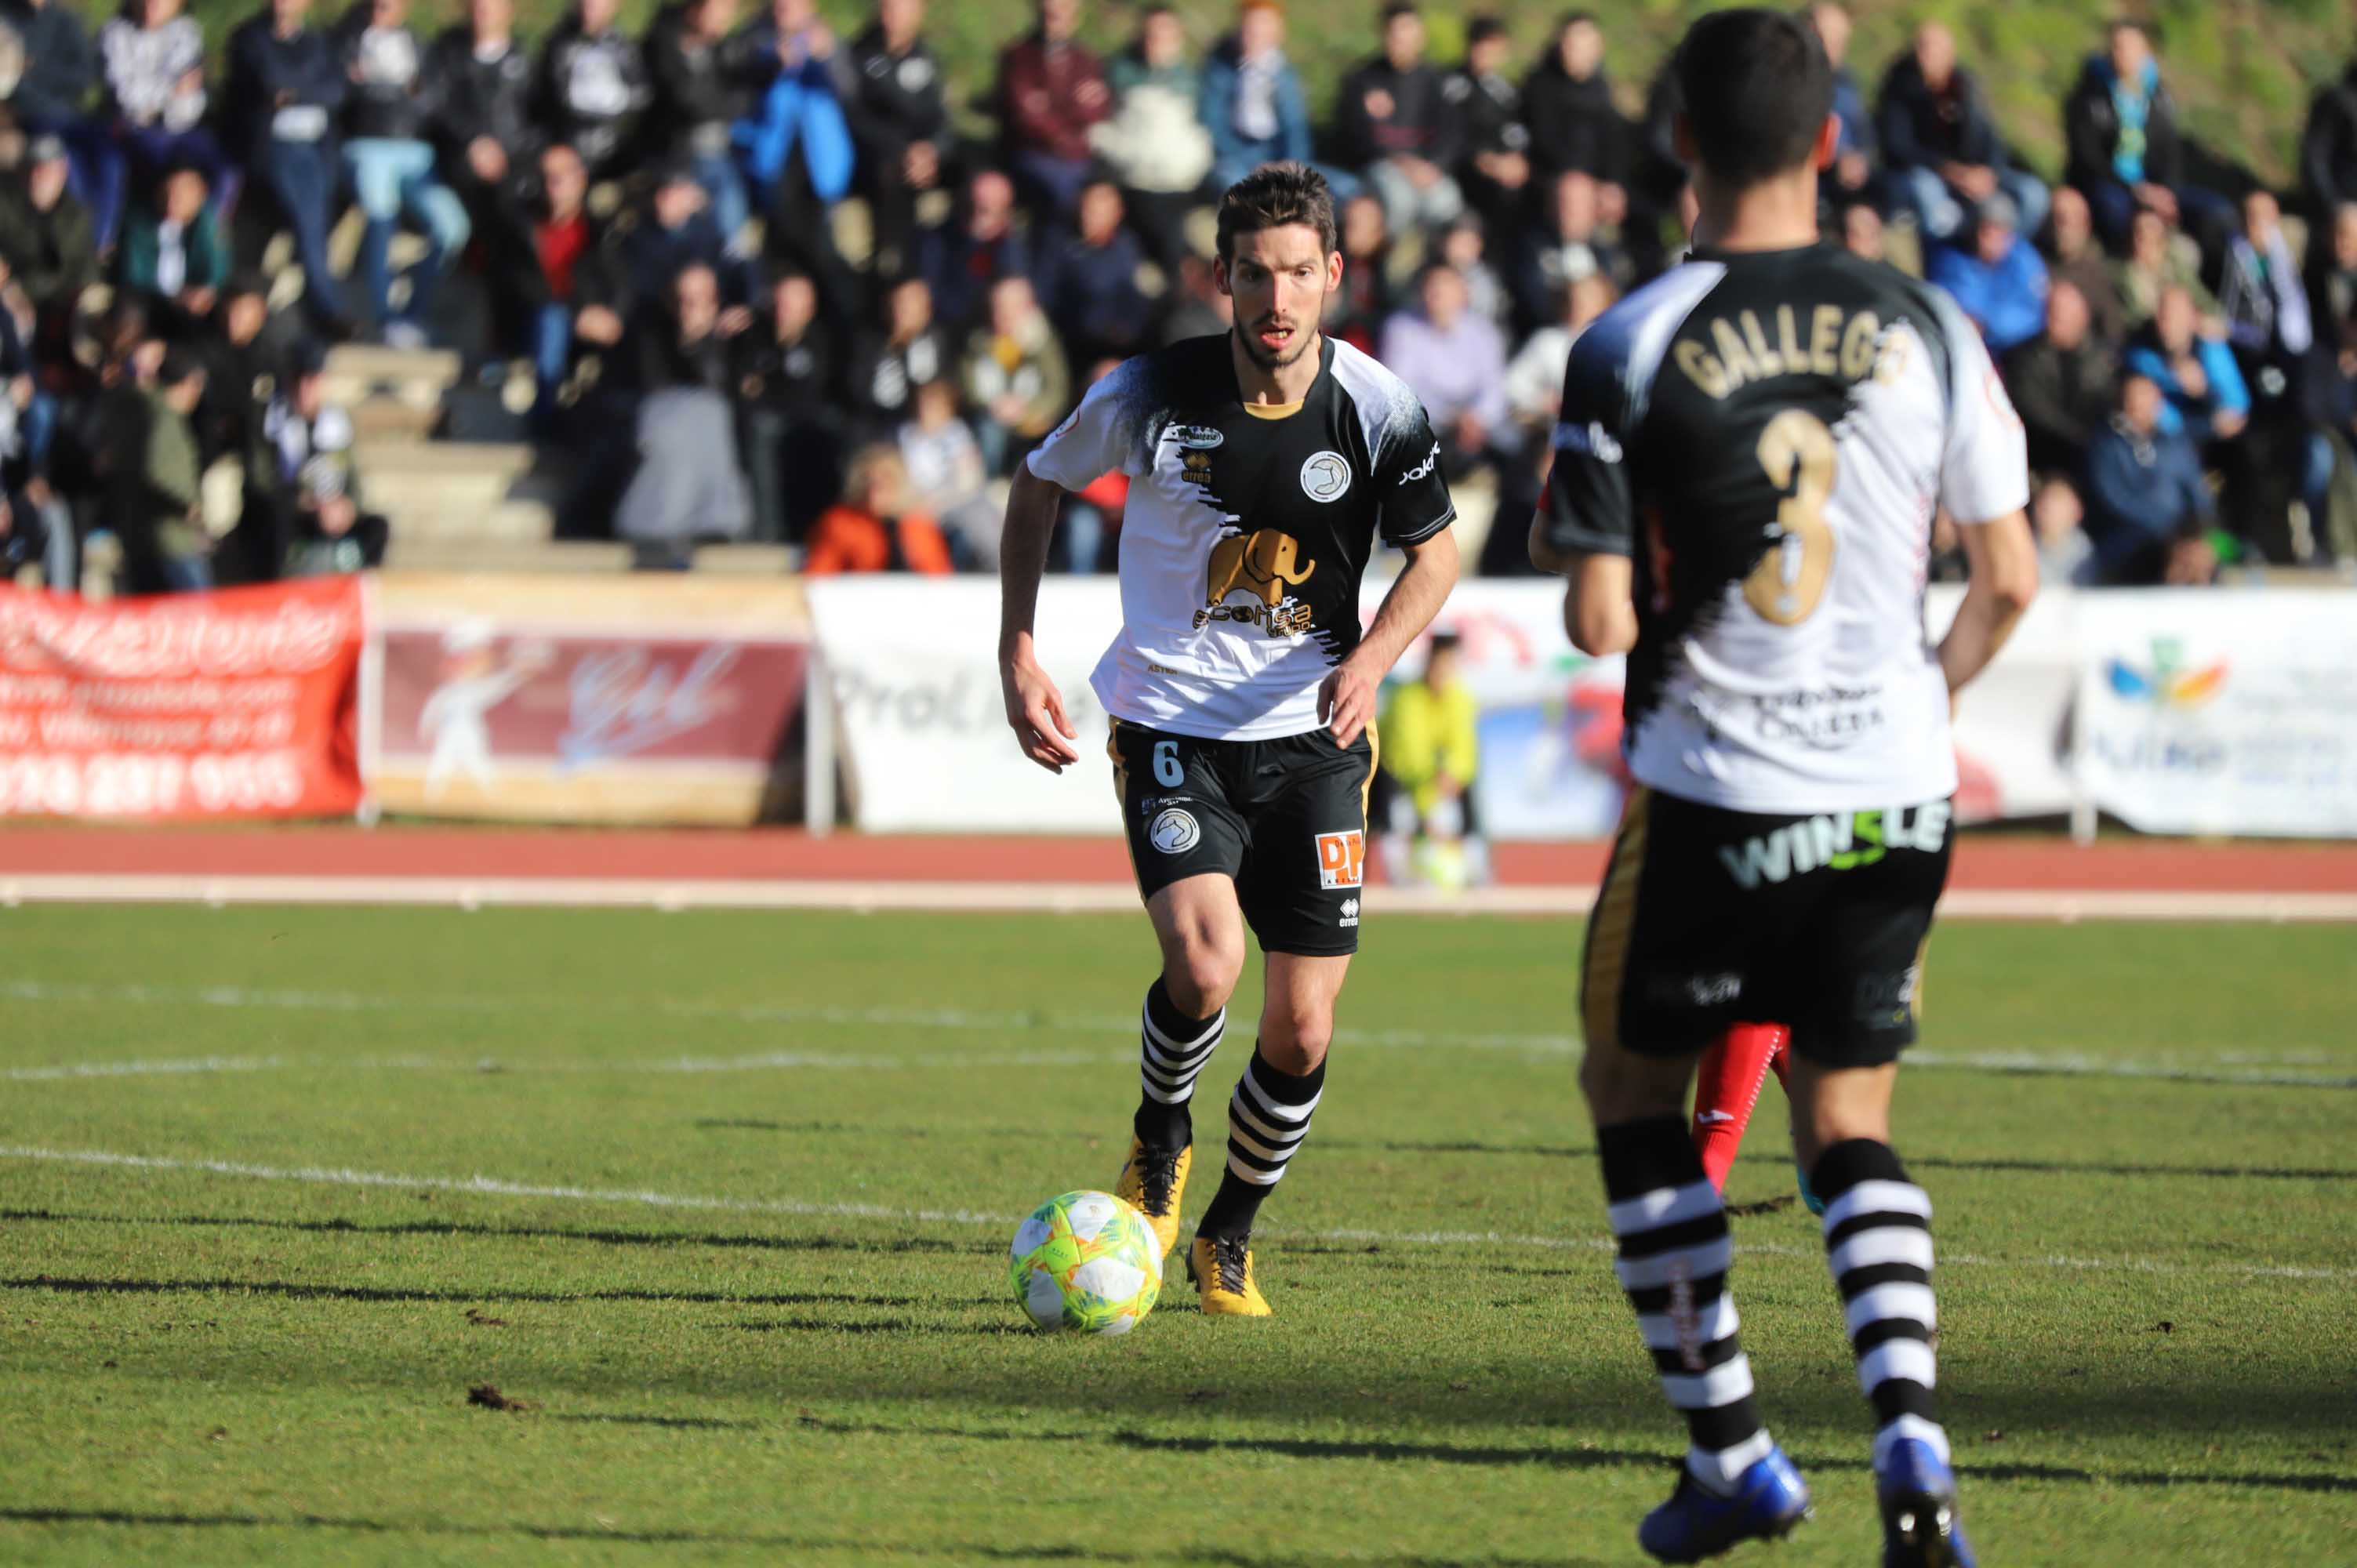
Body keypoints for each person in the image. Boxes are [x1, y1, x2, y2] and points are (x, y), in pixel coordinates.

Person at [1528, 10, 2035, 1561]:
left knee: (1627, 1092)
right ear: (1832, 144)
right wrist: (1912, 700)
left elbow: (1603, 617)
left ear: (1678, 140)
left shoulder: (1630, 338)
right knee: (1850, 1121)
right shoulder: (1931, 325)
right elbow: (2008, 575)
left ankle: (1737, 1450)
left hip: (1715, 791)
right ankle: (1914, 1451)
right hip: (1896, 788)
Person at [998, 162, 1459, 1316]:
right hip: (1171, 725)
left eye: (1298, 272)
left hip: (1314, 743)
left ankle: (1227, 1234)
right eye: (1254, 272)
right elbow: (1038, 482)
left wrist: (1370, 658)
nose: (1277, 296)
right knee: (1204, 965)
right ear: (1221, 278)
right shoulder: (1147, 391)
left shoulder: (1379, 408)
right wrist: (1018, 647)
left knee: (1302, 1026)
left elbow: (1435, 556)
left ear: (1333, 276)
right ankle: (1160, 1134)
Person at [337, 0, 470, 347]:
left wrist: (389, 91)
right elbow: (342, 91)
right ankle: (385, 317)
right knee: (381, 211)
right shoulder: (347, 38)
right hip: (366, 144)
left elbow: (431, 97)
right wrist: (400, 92)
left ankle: (414, 314)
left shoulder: (419, 45)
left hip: (413, 149)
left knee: (453, 227)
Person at [225, 0, 354, 336]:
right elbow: (269, 82)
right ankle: (324, 305)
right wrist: (307, 87)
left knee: (319, 206)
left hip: (317, 148)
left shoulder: (318, 42)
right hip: (274, 146)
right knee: (309, 213)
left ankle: (321, 299)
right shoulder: (249, 38)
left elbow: (336, 91)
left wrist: (294, 92)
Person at [2063, 20, 2232, 257]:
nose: (2119, 54)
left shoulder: (2160, 97)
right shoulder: (2089, 96)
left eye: (2128, 48)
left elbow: (2171, 151)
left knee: (2217, 212)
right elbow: (2087, 158)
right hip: (2110, 186)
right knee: (2114, 210)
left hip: (2154, 189)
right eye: (2115, 47)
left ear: (2145, 53)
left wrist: (2166, 193)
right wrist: (2136, 190)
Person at [1877, 21, 2046, 248]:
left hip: (1975, 173)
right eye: (1922, 47)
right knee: (1925, 191)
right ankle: (1950, 255)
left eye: (1935, 48)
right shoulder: (1900, 87)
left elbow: (1991, 136)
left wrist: (1989, 173)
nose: (1926, 55)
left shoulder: (1966, 86)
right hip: (1932, 174)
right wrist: (1950, 171)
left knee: (2033, 193)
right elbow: (1898, 147)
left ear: (1951, 54)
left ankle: (2005, 255)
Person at [96, 0, 236, 251]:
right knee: (166, 174)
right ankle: (115, 244)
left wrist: (158, 96)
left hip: (183, 128)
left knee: (226, 170)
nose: (153, 5)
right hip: (135, 130)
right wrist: (172, 89)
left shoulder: (187, 33)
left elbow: (192, 101)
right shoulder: (115, 34)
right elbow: (127, 97)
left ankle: (209, 242)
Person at [839, 0, 951, 275]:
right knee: (893, 177)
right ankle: (892, 267)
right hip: (877, 156)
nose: (894, 17)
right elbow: (855, 119)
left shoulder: (926, 58)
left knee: (974, 175)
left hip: (922, 154)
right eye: (889, 8)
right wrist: (903, 151)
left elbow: (940, 118)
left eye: (903, 10)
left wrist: (932, 150)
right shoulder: (859, 55)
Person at [733, 266, 841, 543]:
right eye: (780, 301)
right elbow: (748, 386)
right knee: (762, 430)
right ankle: (767, 533)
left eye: (792, 302)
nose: (785, 309)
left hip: (809, 421)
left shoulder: (822, 339)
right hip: (769, 419)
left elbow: (813, 388)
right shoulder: (755, 335)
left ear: (809, 306)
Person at [1336, 2, 1462, 241]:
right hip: (1380, 167)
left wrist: (1434, 165)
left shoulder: (1436, 82)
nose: (1401, 41)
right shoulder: (1362, 80)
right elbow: (1355, 136)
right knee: (1398, 198)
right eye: (1394, 34)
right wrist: (1399, 161)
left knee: (1446, 201)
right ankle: (1388, 267)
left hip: (1426, 168)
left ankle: (1432, 271)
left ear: (1420, 36)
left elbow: (1451, 133)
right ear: (1383, 35)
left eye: (1408, 33)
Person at [1372, 628, 1486, 887]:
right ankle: (1398, 870)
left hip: (1433, 779)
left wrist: (1452, 776)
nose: (1443, 670)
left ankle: (1474, 865)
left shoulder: (1460, 698)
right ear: (1429, 662)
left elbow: (1464, 751)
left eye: (1450, 663)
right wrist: (1430, 810)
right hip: (1397, 773)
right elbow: (1407, 756)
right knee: (1387, 786)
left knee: (1468, 785)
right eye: (1439, 663)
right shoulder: (1406, 698)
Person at [1379, 263, 1510, 481]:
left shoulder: (1484, 331)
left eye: (1446, 287)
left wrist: (1476, 418)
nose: (1438, 295)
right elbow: (1399, 391)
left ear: (1463, 292)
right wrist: (1450, 418)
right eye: (1432, 287)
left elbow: (1495, 387)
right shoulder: (1401, 329)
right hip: (1429, 423)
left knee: (1515, 447)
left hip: (1479, 426)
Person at [2082, 372, 2215, 584]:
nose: (2137, 403)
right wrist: (2161, 531)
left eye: (2144, 395)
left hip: (2178, 537)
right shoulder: (2106, 446)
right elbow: (2113, 499)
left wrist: (2195, 531)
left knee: (2199, 555)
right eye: (2132, 396)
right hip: (2131, 538)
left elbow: (2196, 493)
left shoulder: (2176, 444)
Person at [995, 0, 1109, 220]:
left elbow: (1096, 108)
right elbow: (1026, 116)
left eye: (1062, 12)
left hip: (1079, 156)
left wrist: (1052, 109)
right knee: (1065, 192)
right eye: (1049, 14)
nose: (1055, 19)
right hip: (1032, 153)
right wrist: (1063, 132)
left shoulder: (1086, 60)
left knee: (1105, 194)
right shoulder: (1018, 57)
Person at [1031, 177, 1154, 367]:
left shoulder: (1128, 246)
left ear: (1117, 213)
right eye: (1084, 208)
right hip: (1074, 344)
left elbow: (1137, 296)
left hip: (1123, 344)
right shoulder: (1058, 244)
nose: (1086, 216)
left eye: (1095, 211)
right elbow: (1045, 295)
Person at [2003, 279, 2119, 477]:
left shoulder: (2106, 360)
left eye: (2063, 312)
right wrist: (2082, 438)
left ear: (2083, 316)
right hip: (2041, 459)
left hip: (2096, 458)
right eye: (2051, 310)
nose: (2054, 318)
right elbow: (2035, 411)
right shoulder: (2022, 359)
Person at [959, 271, 1069, 478]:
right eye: (999, 306)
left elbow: (1057, 391)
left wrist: (1026, 409)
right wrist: (995, 405)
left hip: (1036, 424)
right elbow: (968, 386)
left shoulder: (1043, 342)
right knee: (988, 432)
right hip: (994, 421)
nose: (1005, 314)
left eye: (1013, 307)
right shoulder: (979, 341)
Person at [536, 0, 650, 182]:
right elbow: (546, 104)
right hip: (568, 153)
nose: (589, 9)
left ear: (614, 6)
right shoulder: (558, 47)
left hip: (618, 157)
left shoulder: (626, 49)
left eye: (597, 4)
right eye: (586, 3)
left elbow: (642, 98)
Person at [802, 439, 952, 572]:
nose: (876, 487)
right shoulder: (840, 524)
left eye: (887, 478)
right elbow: (818, 577)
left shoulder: (920, 526)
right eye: (868, 479)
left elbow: (938, 579)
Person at [1925, 192, 2047, 354]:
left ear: (2010, 234)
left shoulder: (2025, 259)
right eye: (1983, 229)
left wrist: (1989, 325)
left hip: (2018, 350)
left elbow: (2033, 313)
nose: (1985, 238)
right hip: (1968, 349)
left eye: (1997, 230)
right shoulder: (1952, 258)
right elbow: (1961, 313)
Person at [1446, 16, 1531, 239]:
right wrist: (1483, 159)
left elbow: (1517, 133)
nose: (1486, 52)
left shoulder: (1507, 92)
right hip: (1463, 171)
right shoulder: (1450, 86)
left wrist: (1517, 160)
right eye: (1481, 44)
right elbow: (1450, 135)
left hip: (1502, 171)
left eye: (1493, 46)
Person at [2039, 184, 2126, 346]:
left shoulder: (2098, 276)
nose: (2063, 228)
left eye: (2072, 220)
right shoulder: (2032, 264)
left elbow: (2112, 335)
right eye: (2058, 218)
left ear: (2086, 225)